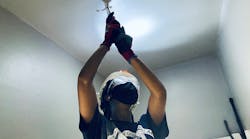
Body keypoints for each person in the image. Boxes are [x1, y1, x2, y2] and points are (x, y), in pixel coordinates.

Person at [77, 12, 169, 139]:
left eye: (131, 80)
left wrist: (128, 54)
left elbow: (159, 93)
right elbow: (84, 81)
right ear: (108, 96)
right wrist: (106, 44)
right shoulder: (98, 127)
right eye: (121, 78)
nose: (127, 76)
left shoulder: (147, 126)